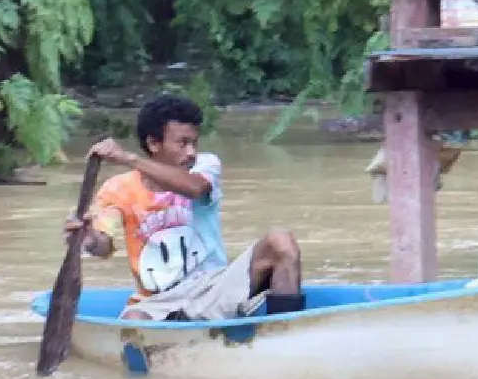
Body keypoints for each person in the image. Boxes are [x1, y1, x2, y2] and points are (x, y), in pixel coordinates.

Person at [63, 95, 306, 321]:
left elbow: (195, 188)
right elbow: (103, 246)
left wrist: (129, 158)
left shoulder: (205, 165)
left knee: (280, 242)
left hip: (212, 287)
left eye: (194, 143)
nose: (191, 152)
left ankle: (285, 334)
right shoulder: (118, 189)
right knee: (134, 323)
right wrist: (87, 235)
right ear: (153, 143)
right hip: (156, 302)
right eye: (182, 143)